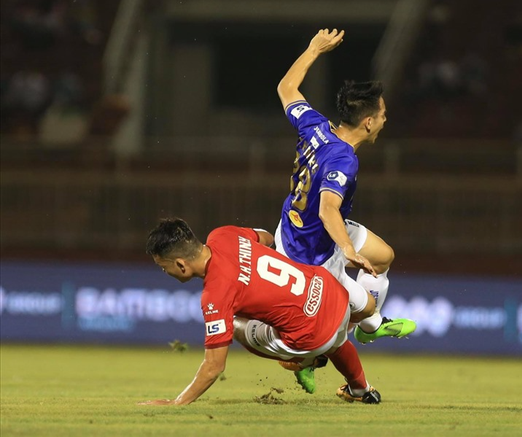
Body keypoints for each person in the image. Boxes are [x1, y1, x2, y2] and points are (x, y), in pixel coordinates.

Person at [275, 28, 416, 352]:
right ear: (368, 122)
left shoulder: (316, 125)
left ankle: (368, 329)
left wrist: (313, 49)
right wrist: (348, 250)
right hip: (311, 252)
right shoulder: (344, 160)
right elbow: (328, 209)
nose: (385, 120)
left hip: (300, 223)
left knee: (383, 257)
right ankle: (346, 336)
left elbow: (286, 88)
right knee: (357, 313)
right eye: (382, 115)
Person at [139, 218, 382, 405]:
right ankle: (361, 389)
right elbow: (266, 237)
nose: (165, 272)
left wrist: (176, 402)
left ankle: (304, 360)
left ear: (181, 265)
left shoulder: (215, 295)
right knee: (332, 337)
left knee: (235, 324)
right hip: (334, 294)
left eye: (164, 267)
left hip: (312, 336)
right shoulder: (222, 234)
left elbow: (214, 367)